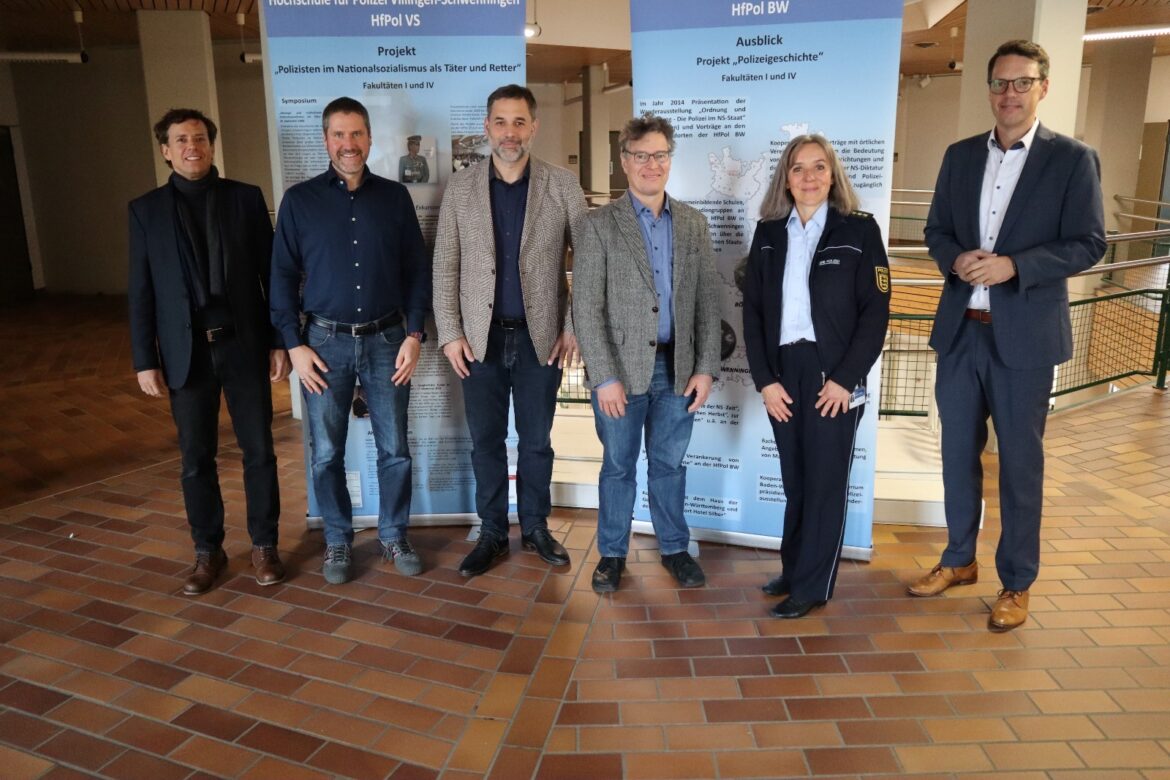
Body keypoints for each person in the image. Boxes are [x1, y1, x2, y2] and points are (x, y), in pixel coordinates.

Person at [908, 40, 1106, 632]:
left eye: (1022, 83)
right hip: (960, 333)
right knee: (955, 458)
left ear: (1043, 87)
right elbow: (936, 229)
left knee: (1021, 465)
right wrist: (956, 258)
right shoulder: (960, 155)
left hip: (1023, 339)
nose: (1009, 94)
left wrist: (1015, 266)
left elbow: (1088, 243)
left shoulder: (1072, 160)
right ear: (988, 90)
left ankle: (1016, 583)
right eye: (999, 83)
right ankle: (959, 559)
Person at [271, 96, 432, 585]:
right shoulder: (300, 202)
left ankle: (393, 533)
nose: (348, 144)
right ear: (326, 140)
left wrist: (414, 333)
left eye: (356, 134)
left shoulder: (394, 198)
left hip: (388, 339)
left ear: (369, 139)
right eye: (339, 135)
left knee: (396, 449)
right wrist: (294, 344)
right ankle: (338, 541)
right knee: (325, 453)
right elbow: (280, 276)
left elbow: (416, 271)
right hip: (323, 345)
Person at [128, 108, 288, 595]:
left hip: (243, 345)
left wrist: (280, 340)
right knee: (196, 458)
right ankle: (208, 550)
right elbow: (141, 290)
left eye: (199, 137)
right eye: (180, 140)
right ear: (165, 150)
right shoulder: (145, 211)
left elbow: (272, 275)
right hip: (186, 354)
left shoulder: (245, 199)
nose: (191, 146)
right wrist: (144, 358)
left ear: (211, 145)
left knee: (259, 452)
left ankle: (264, 544)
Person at [434, 84, 587, 577]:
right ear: (487, 127)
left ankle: (537, 527)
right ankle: (493, 531)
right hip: (480, 342)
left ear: (534, 127)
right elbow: (445, 267)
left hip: (540, 338)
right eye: (500, 122)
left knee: (537, 440)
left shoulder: (562, 185)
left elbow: (587, 263)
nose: (510, 132)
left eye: (519, 122)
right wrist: (451, 333)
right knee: (486, 441)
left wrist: (572, 326)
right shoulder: (460, 189)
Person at [741, 134, 891, 619]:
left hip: (834, 376)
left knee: (825, 483)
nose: (809, 177)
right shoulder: (768, 232)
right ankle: (794, 567)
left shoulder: (859, 230)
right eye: (799, 168)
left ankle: (813, 586)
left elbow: (875, 312)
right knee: (796, 482)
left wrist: (846, 380)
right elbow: (755, 311)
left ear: (833, 175)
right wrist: (765, 380)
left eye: (819, 167)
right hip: (785, 374)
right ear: (786, 177)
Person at [573, 114, 721, 594]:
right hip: (620, 372)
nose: (651, 164)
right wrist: (603, 377)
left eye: (659, 155)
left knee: (669, 465)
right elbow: (586, 306)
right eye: (641, 156)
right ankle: (612, 554)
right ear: (624, 162)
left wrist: (706, 367)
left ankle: (675, 549)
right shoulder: (597, 226)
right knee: (618, 466)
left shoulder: (694, 224)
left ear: (670, 160)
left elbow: (705, 302)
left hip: (678, 370)